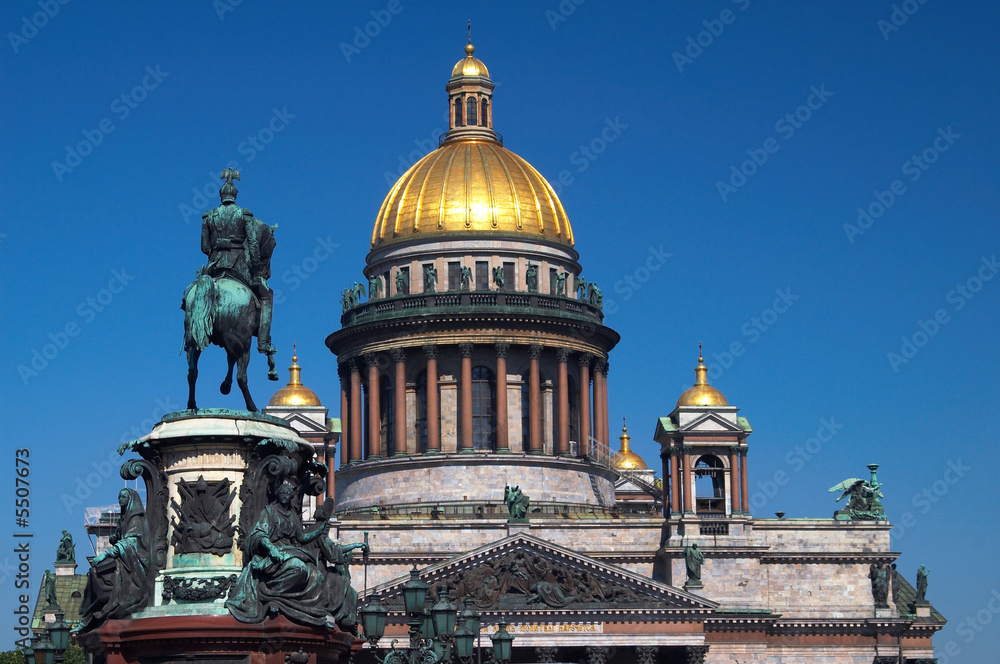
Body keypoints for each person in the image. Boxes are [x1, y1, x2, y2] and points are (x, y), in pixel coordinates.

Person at [226, 483, 367, 629]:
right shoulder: (269, 512)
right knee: (299, 569)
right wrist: (272, 549)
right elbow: (259, 533)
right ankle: (270, 596)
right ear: (278, 495)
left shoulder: (292, 515)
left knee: (316, 576)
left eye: (288, 494)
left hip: (290, 551)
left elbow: (301, 538)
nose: (285, 497)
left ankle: (313, 613)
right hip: (274, 554)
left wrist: (317, 532)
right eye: (282, 494)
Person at [76, 489, 152, 632]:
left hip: (134, 563)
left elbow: (132, 542)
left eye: (123, 497)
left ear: (130, 500)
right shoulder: (124, 518)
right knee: (94, 572)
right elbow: (121, 537)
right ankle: (88, 616)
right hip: (125, 559)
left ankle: (96, 614)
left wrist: (105, 554)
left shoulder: (136, 518)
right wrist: (114, 538)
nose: (119, 499)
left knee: (98, 575)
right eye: (119, 497)